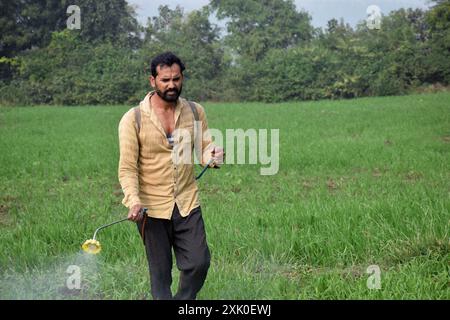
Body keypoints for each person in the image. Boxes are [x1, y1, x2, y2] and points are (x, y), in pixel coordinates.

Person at [118, 52, 224, 300]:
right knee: (160, 277)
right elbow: (127, 167)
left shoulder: (195, 112)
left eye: (176, 79)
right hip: (150, 208)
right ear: (152, 81)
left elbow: (204, 147)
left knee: (199, 263)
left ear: (182, 78)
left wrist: (213, 155)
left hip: (187, 202)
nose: (171, 85)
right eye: (165, 80)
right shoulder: (132, 119)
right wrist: (133, 200)